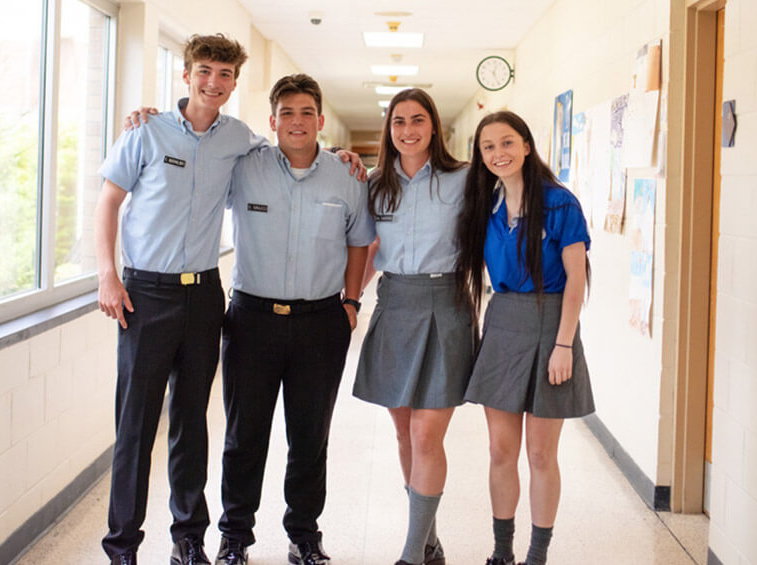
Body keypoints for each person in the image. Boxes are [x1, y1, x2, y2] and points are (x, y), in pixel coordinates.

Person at [95, 33, 261, 565]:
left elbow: (290, 160)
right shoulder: (146, 132)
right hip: (144, 293)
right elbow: (109, 202)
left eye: (225, 74)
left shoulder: (240, 138)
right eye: (205, 71)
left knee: (192, 421)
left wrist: (345, 158)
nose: (214, 82)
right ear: (186, 75)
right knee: (136, 426)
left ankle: (188, 537)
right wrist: (107, 274)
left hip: (204, 296)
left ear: (235, 81)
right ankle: (122, 545)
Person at [212, 74, 373, 565]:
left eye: (306, 113)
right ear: (272, 120)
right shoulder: (244, 167)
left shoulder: (347, 175)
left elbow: (359, 242)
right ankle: (234, 537)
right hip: (251, 319)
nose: (297, 122)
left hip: (320, 323)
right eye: (287, 113)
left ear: (321, 120)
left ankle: (304, 535)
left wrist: (350, 303)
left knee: (309, 436)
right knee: (244, 436)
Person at [455, 111, 594, 565]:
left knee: (539, 452)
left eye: (508, 142)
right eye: (489, 146)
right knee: (500, 449)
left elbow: (576, 281)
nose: (499, 153)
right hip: (504, 323)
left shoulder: (559, 203)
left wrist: (563, 345)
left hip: (551, 323)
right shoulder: (486, 204)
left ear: (528, 146)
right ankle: (501, 552)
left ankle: (537, 555)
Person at [351, 88, 475, 565]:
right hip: (395, 307)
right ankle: (429, 541)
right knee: (404, 435)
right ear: (389, 129)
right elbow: (366, 251)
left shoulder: (464, 179)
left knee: (427, 436)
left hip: (446, 306)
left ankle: (410, 553)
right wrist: (351, 302)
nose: (408, 130)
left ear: (434, 125)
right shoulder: (374, 183)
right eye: (398, 121)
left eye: (417, 120)